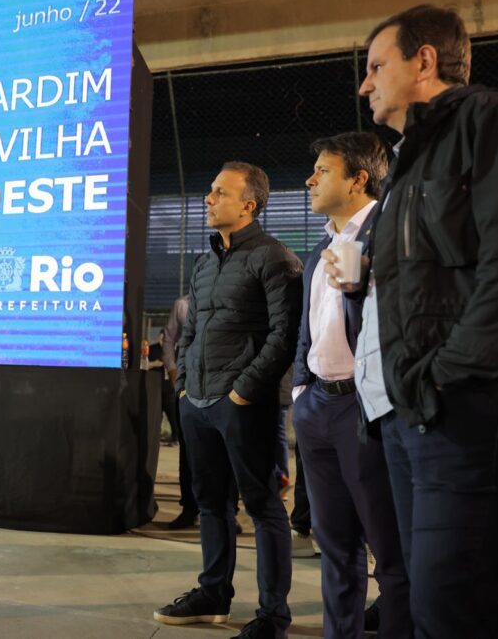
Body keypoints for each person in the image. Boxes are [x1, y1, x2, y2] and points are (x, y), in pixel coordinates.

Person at [338, 4, 498, 637]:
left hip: (467, 407)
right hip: (412, 408)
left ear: (425, 61)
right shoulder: (410, 162)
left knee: (451, 600)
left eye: (375, 66)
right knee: (423, 598)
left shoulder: (495, 121)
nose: (365, 85)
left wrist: (445, 375)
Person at [153, 161, 303, 639]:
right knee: (211, 503)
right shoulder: (204, 262)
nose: (208, 198)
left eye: (220, 192)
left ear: (249, 205)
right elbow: (191, 331)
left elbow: (286, 336)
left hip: (241, 404)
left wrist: (243, 390)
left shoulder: (275, 258)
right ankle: (213, 594)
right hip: (196, 401)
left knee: (262, 508)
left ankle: (273, 616)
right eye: (211, 190)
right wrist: (182, 389)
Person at [292, 131, 410, 638]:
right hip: (317, 405)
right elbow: (308, 325)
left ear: (358, 179)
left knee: (390, 550)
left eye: (323, 170)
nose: (310, 179)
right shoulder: (323, 244)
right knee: (334, 544)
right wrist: (300, 390)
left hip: (366, 410)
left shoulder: (390, 233)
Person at [162, 294, 199, 529]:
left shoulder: (228, 296)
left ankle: (225, 510)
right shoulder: (182, 305)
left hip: (220, 386)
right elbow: (168, 340)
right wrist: (173, 372)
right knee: (187, 452)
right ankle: (189, 507)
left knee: (222, 453)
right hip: (187, 386)